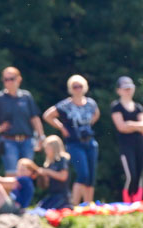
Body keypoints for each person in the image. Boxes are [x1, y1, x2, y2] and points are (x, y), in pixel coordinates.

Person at [43, 75, 100, 205]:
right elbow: (47, 115)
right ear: (71, 89)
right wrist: (62, 127)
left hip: (90, 141)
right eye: (75, 87)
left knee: (91, 177)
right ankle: (73, 205)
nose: (78, 89)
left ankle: (88, 205)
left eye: (80, 86)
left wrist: (89, 124)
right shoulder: (65, 105)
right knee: (83, 174)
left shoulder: (90, 103)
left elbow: (96, 113)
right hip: (74, 143)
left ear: (84, 87)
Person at [0, 67, 45, 174]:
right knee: (12, 173)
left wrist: (41, 136)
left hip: (27, 141)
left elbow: (34, 118)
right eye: (6, 79)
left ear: (19, 79)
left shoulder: (26, 96)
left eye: (12, 78)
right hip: (8, 141)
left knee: (28, 173)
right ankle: (11, 191)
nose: (9, 82)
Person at [110, 76, 143, 203]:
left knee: (140, 175)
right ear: (119, 91)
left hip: (139, 145)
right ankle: (128, 202)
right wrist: (136, 126)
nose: (128, 91)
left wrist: (130, 123)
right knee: (131, 175)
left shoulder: (138, 107)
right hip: (126, 146)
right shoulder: (116, 107)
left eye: (129, 88)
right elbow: (121, 127)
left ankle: (137, 201)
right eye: (125, 89)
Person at [36, 135, 72, 210]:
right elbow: (46, 185)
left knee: (50, 210)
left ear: (54, 148)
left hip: (62, 195)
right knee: (39, 208)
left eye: (48, 148)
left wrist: (48, 172)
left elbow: (63, 177)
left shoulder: (62, 160)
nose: (46, 151)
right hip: (52, 195)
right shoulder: (49, 163)